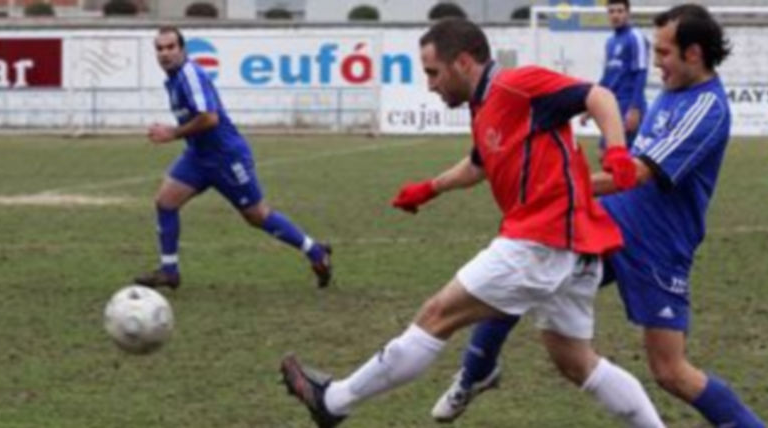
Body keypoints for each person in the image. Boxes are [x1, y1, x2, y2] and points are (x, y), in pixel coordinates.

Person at [280, 18, 664, 428]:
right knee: (577, 361)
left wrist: (617, 151)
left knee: (436, 315)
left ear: (463, 62)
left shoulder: (517, 85)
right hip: (571, 246)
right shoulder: (483, 106)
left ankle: (334, 401)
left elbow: (599, 95)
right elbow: (478, 164)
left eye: (433, 72)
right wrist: (430, 188)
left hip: (541, 240)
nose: (430, 85)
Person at [432, 5, 767, 427]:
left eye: (664, 53)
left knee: (670, 372)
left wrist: (554, 185)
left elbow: (638, 173)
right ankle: (476, 371)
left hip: (659, 246)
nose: (656, 62)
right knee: (525, 262)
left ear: (694, 53)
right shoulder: (673, 90)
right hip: (610, 221)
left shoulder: (706, 108)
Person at [134, 26, 332, 289]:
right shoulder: (173, 79)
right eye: (160, 49)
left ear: (182, 49)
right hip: (198, 156)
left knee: (257, 216)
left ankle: (315, 251)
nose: (165, 53)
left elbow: (209, 118)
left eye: (171, 47)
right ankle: (169, 271)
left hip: (226, 157)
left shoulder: (190, 74)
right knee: (165, 203)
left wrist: (173, 132)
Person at [581, 0, 649, 149]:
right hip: (612, 105)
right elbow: (607, 78)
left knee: (622, 154)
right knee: (604, 153)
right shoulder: (610, 42)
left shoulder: (635, 37)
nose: (615, 15)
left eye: (619, 11)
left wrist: (635, 108)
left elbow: (641, 73)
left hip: (628, 104)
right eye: (611, 11)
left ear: (628, 13)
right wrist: (591, 107)